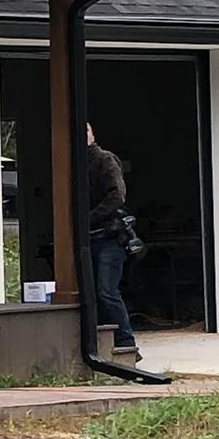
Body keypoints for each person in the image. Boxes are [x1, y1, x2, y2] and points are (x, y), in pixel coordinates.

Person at [85, 123, 139, 356]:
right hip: (88, 239)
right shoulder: (72, 163)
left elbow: (118, 195)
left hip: (110, 237)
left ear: (92, 134)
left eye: (84, 130)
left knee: (107, 291)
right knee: (92, 293)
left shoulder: (105, 160)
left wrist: (88, 218)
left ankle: (126, 343)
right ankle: (99, 342)